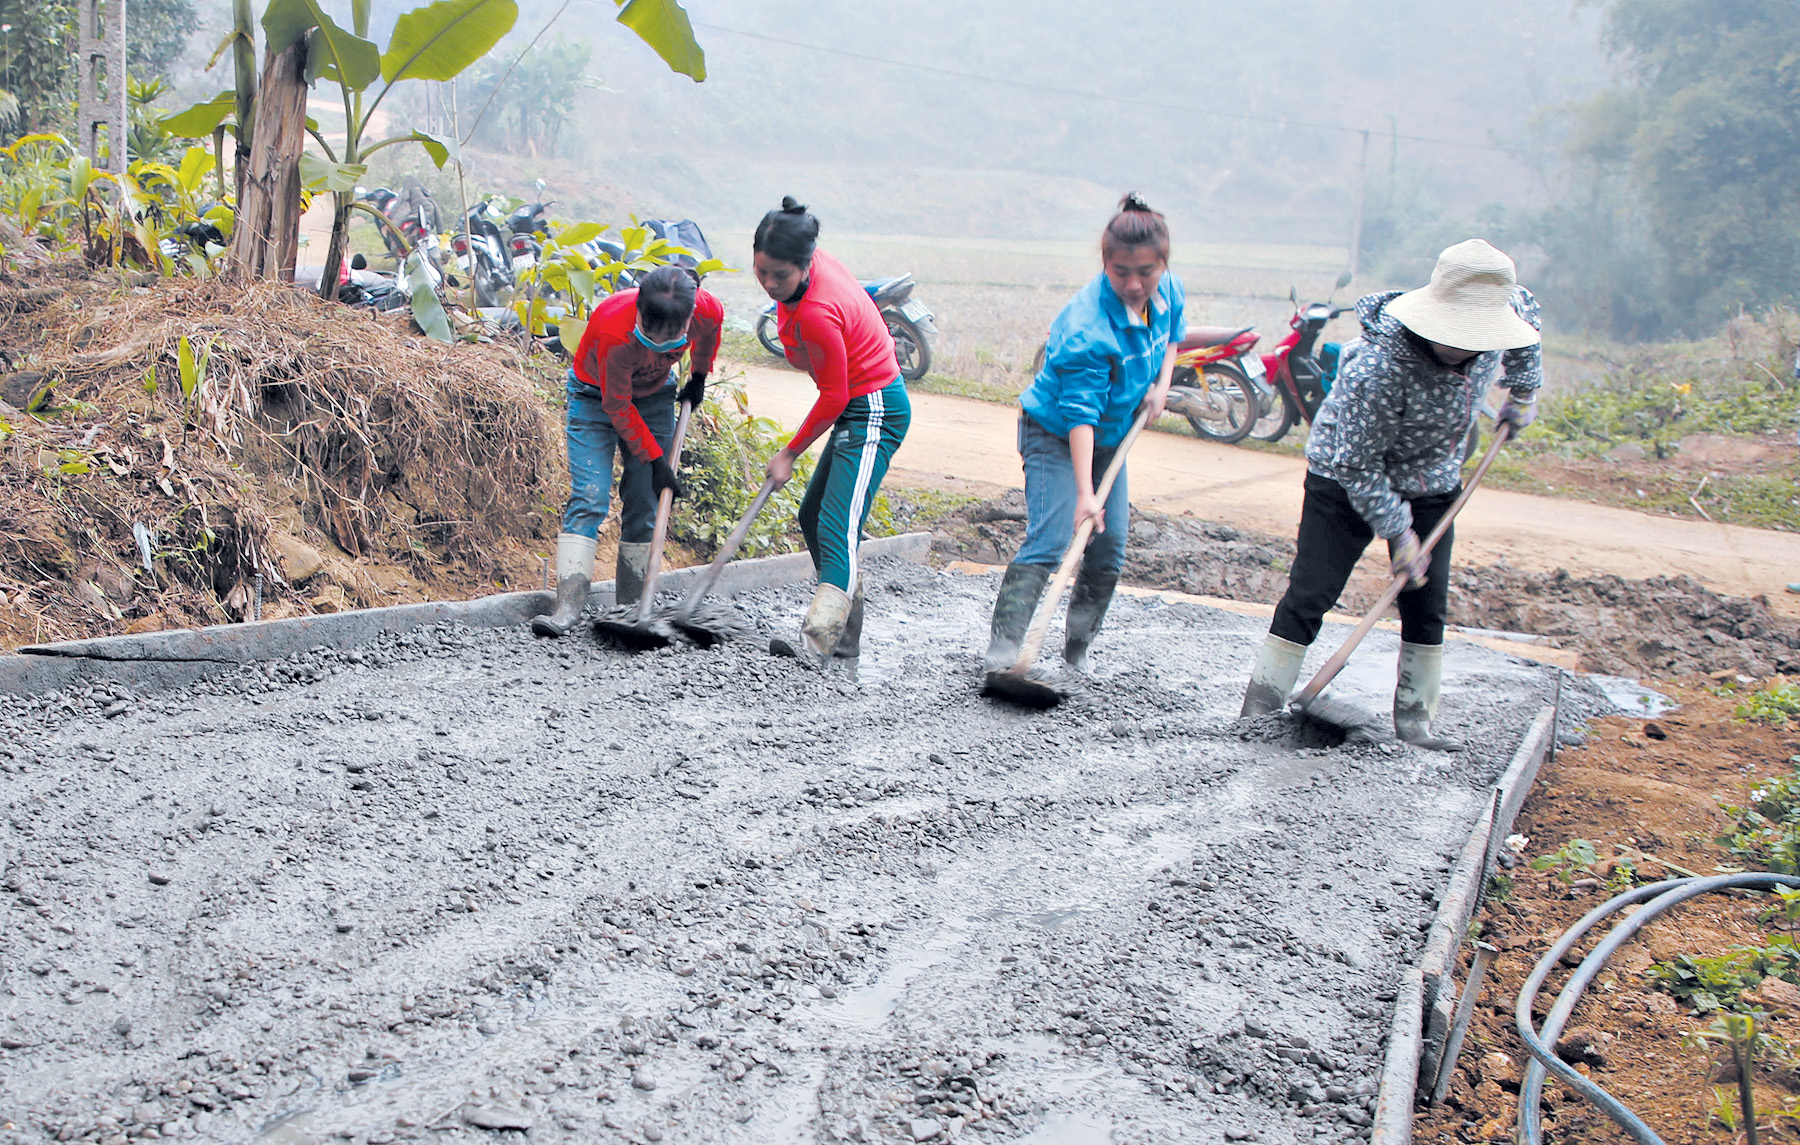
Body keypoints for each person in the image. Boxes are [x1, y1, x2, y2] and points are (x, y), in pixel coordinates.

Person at [1239, 238, 1543, 748]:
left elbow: (1528, 326)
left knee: (1427, 600)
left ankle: (1415, 719)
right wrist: (1399, 535)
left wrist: (1524, 392)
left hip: (1436, 479)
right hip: (1345, 477)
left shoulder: (1508, 310)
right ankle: (1259, 708)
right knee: (1312, 592)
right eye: (1454, 335)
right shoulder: (1378, 369)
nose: (1463, 348)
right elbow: (1357, 465)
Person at [982, 193, 1181, 676]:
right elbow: (1079, 416)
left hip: (1110, 436)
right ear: (1105, 264)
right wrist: (1085, 495)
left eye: (1146, 272)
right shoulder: (1086, 329)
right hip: (1055, 432)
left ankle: (1077, 651)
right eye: (1120, 273)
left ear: (1162, 266)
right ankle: (1003, 652)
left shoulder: (1167, 289)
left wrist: (1161, 385)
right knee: (1052, 536)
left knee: (1109, 546)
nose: (1134, 284)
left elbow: (1174, 332)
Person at [753, 197, 912, 665]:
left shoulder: (818, 312)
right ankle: (845, 638)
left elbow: (835, 397)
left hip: (875, 407)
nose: (769, 284)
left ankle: (818, 639)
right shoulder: (803, 274)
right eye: (762, 271)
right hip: (856, 403)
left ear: (805, 265)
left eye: (780, 276)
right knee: (812, 517)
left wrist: (790, 452)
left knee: (836, 524)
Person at [532, 264, 722, 637]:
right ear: (638, 309)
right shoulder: (614, 331)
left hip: (654, 397)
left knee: (644, 500)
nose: (659, 343)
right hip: (594, 398)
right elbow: (617, 406)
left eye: (672, 337)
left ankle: (633, 607)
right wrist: (655, 459)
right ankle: (568, 606)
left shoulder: (706, 309)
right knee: (590, 495)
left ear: (688, 318)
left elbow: (712, 330)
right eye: (651, 334)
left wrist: (699, 372)